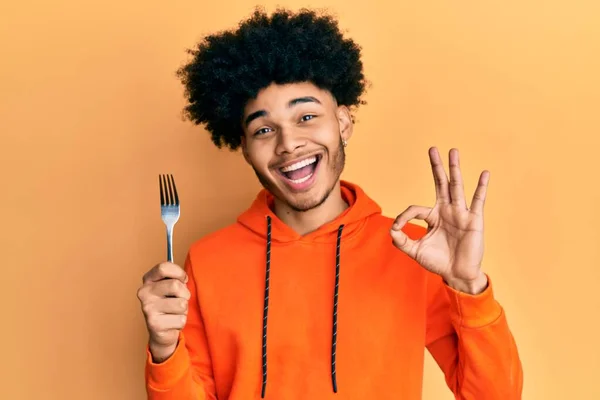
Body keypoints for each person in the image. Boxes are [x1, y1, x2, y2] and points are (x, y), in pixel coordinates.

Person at [137, 7, 523, 400]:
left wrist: (468, 286)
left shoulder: (413, 249)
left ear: (343, 123)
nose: (288, 144)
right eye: (264, 129)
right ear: (245, 149)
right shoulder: (207, 260)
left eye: (306, 116)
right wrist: (165, 350)